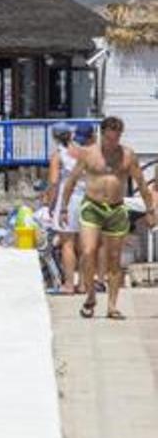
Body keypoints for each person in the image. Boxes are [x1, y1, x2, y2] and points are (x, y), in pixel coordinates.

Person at [61, 116, 156, 320]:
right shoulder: (88, 154)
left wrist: (150, 210)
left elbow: (140, 183)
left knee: (114, 260)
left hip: (116, 209)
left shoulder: (128, 155)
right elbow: (71, 182)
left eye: (117, 138)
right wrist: (63, 208)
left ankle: (112, 306)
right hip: (92, 207)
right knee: (88, 252)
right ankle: (91, 295)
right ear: (102, 134)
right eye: (110, 139)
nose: (113, 143)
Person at [45, 122, 88, 293]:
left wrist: (50, 203)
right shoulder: (83, 152)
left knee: (67, 244)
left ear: (55, 138)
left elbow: (54, 182)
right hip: (86, 198)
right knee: (85, 244)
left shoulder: (58, 155)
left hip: (67, 200)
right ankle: (84, 284)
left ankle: (69, 284)